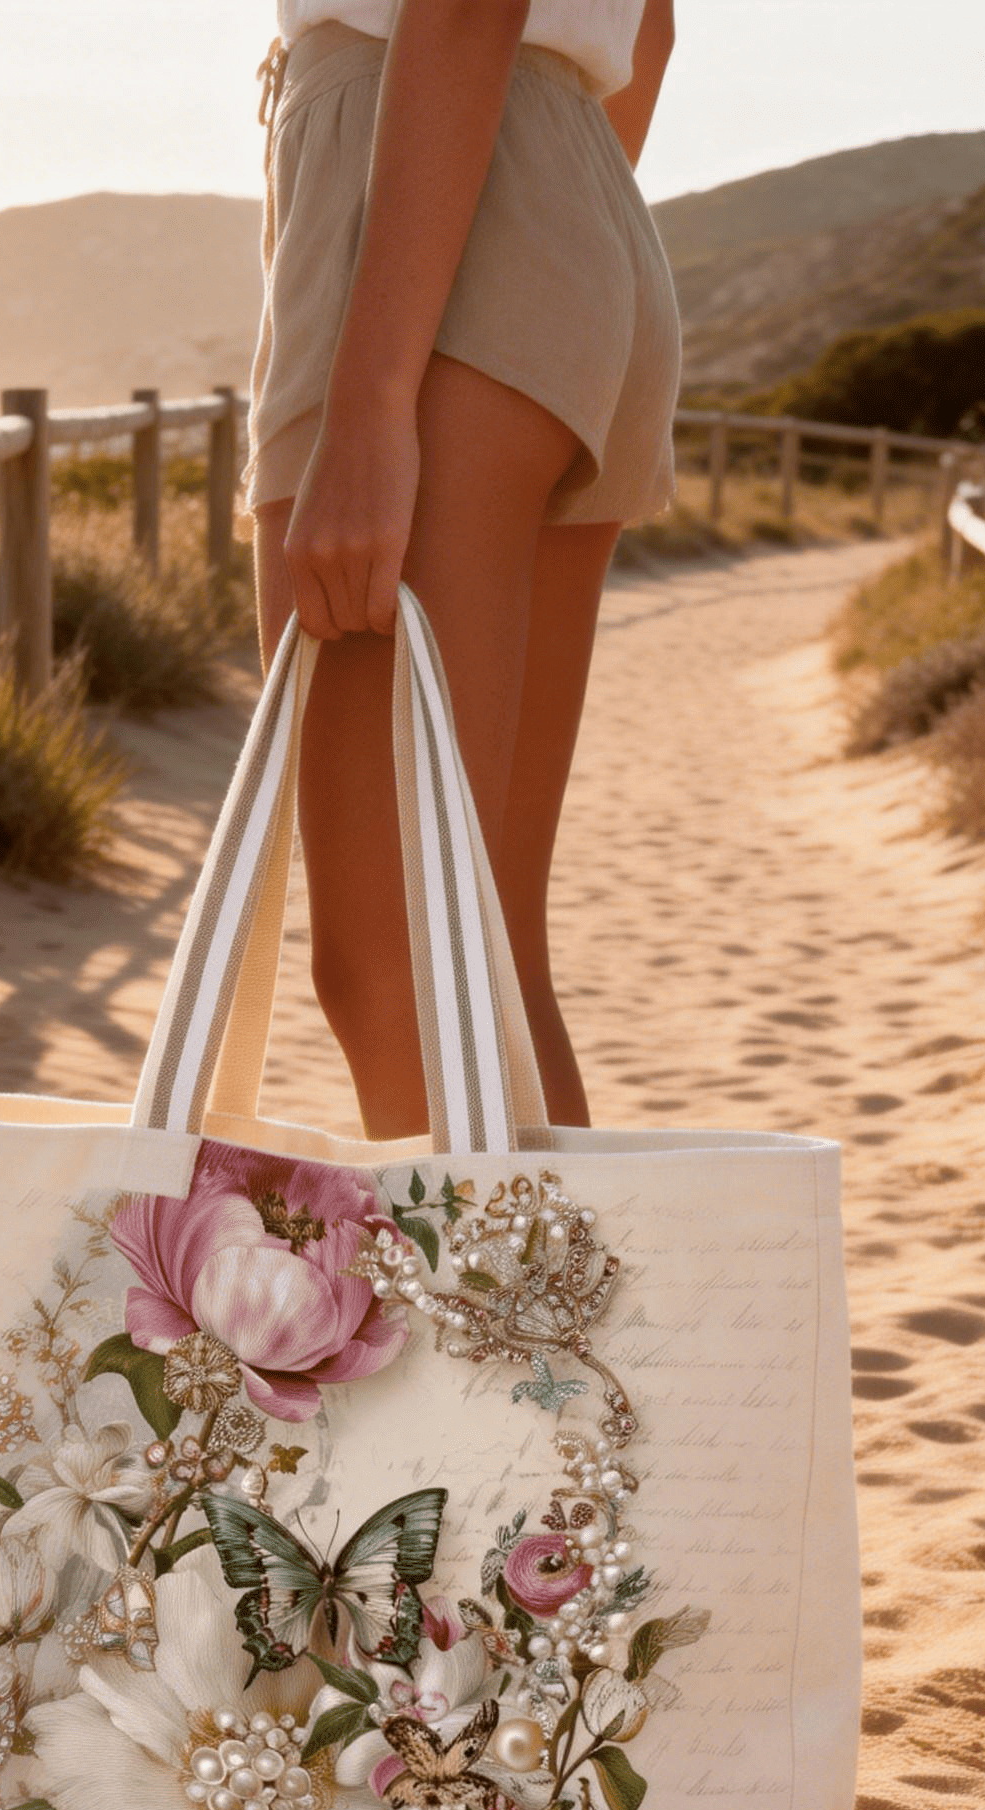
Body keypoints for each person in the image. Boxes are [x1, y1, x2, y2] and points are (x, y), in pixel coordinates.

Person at [245, 0, 680, 1139]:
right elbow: (655, 32)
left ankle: (500, 1326)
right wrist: (543, 222)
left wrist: (377, 395)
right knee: (486, 951)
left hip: (430, 203)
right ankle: (560, 1321)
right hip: (570, 201)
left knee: (396, 964)